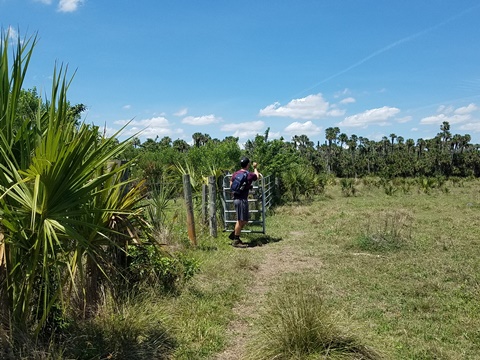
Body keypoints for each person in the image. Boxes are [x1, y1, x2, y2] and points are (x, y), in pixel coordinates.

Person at [229, 157, 259, 248]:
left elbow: (231, 183)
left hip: (236, 198)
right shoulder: (249, 174)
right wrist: (255, 168)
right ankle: (236, 240)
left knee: (244, 220)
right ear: (248, 165)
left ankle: (234, 235)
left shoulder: (235, 174)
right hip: (242, 199)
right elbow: (257, 176)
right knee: (241, 220)